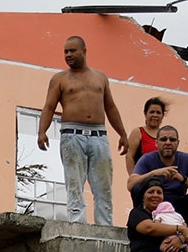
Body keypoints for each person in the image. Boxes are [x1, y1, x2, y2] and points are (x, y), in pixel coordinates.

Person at [36, 35, 128, 226]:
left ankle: (105, 226)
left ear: (84, 51)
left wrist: (122, 134)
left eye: (72, 50)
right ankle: (77, 224)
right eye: (65, 51)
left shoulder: (100, 77)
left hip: (99, 135)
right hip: (72, 135)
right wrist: (42, 131)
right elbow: (49, 107)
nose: (68, 55)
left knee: (103, 186)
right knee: (74, 184)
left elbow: (110, 107)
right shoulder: (59, 79)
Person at [128, 125, 188, 237]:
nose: (168, 142)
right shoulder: (147, 159)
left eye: (172, 139)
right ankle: (143, 227)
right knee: (137, 188)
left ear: (178, 143)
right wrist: (154, 173)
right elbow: (130, 184)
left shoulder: (186, 159)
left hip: (177, 208)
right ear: (156, 143)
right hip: (154, 205)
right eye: (163, 139)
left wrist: (183, 179)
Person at [125, 96, 168, 176]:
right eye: (152, 112)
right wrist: (134, 178)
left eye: (158, 113)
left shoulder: (166, 136)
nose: (155, 115)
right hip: (143, 180)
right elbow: (129, 156)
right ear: (145, 114)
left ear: (162, 116)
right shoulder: (138, 132)